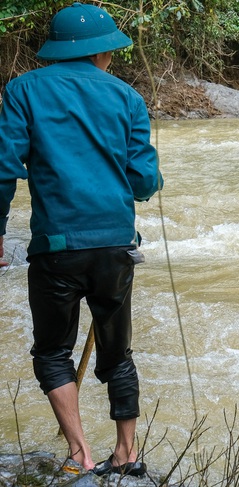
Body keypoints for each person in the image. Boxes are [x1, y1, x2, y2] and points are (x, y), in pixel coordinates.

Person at [0, 2, 163, 476]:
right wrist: (149, 180)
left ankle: (80, 455)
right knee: (119, 350)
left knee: (52, 351)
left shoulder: (22, 90)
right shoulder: (127, 98)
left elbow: (5, 169)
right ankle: (127, 454)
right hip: (115, 246)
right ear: (102, 52)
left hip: (55, 248)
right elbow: (143, 183)